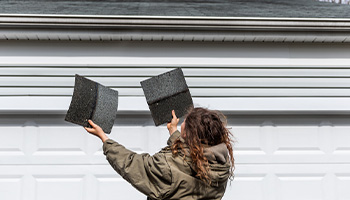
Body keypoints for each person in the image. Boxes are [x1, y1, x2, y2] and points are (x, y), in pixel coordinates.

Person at [85, 107, 235, 200]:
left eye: (185, 123)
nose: (182, 123)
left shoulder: (167, 166)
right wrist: (174, 132)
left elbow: (134, 165)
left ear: (190, 134)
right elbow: (191, 154)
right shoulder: (221, 164)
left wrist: (104, 138)